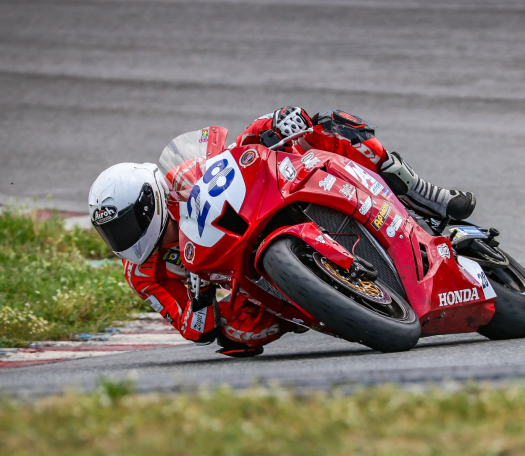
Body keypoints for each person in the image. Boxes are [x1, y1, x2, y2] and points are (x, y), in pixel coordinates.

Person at [88, 108, 476, 357]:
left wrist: (274, 123)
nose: (123, 239)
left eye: (125, 225)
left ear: (149, 202)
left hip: (266, 200)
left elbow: (235, 152)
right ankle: (321, 299)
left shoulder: (181, 177)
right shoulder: (141, 273)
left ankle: (424, 195)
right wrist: (199, 292)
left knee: (330, 126)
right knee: (236, 334)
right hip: (245, 275)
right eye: (112, 233)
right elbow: (194, 329)